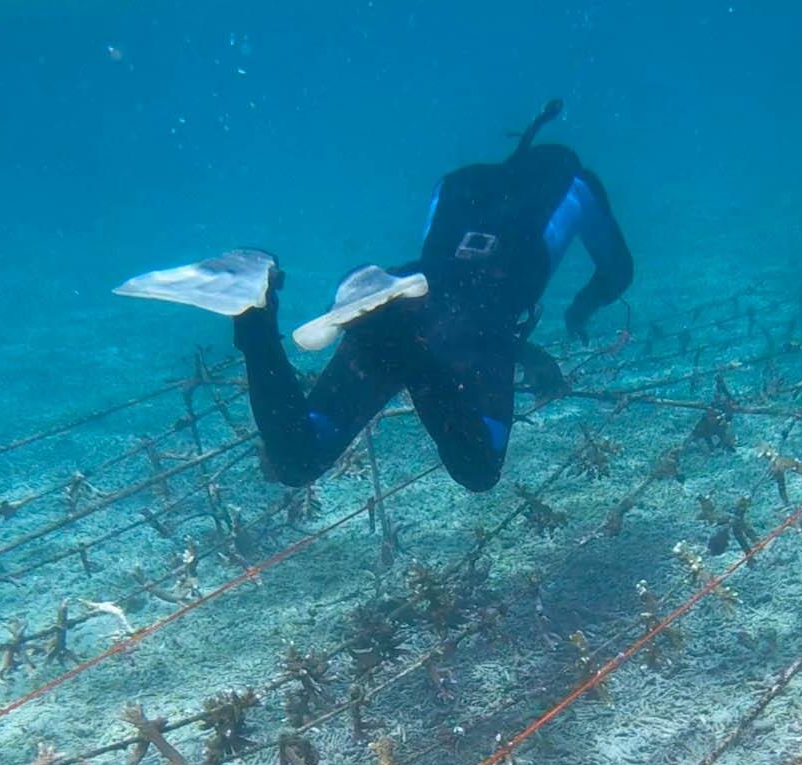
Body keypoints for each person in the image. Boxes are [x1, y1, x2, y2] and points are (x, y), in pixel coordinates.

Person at [117, 100, 633, 494]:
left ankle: (254, 310)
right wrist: (577, 311)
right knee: (478, 469)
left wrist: (521, 348)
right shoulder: (577, 185)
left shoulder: (453, 186)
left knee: (298, 458)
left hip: (404, 299)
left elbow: (448, 271)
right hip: (476, 316)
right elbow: (616, 273)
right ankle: (416, 360)